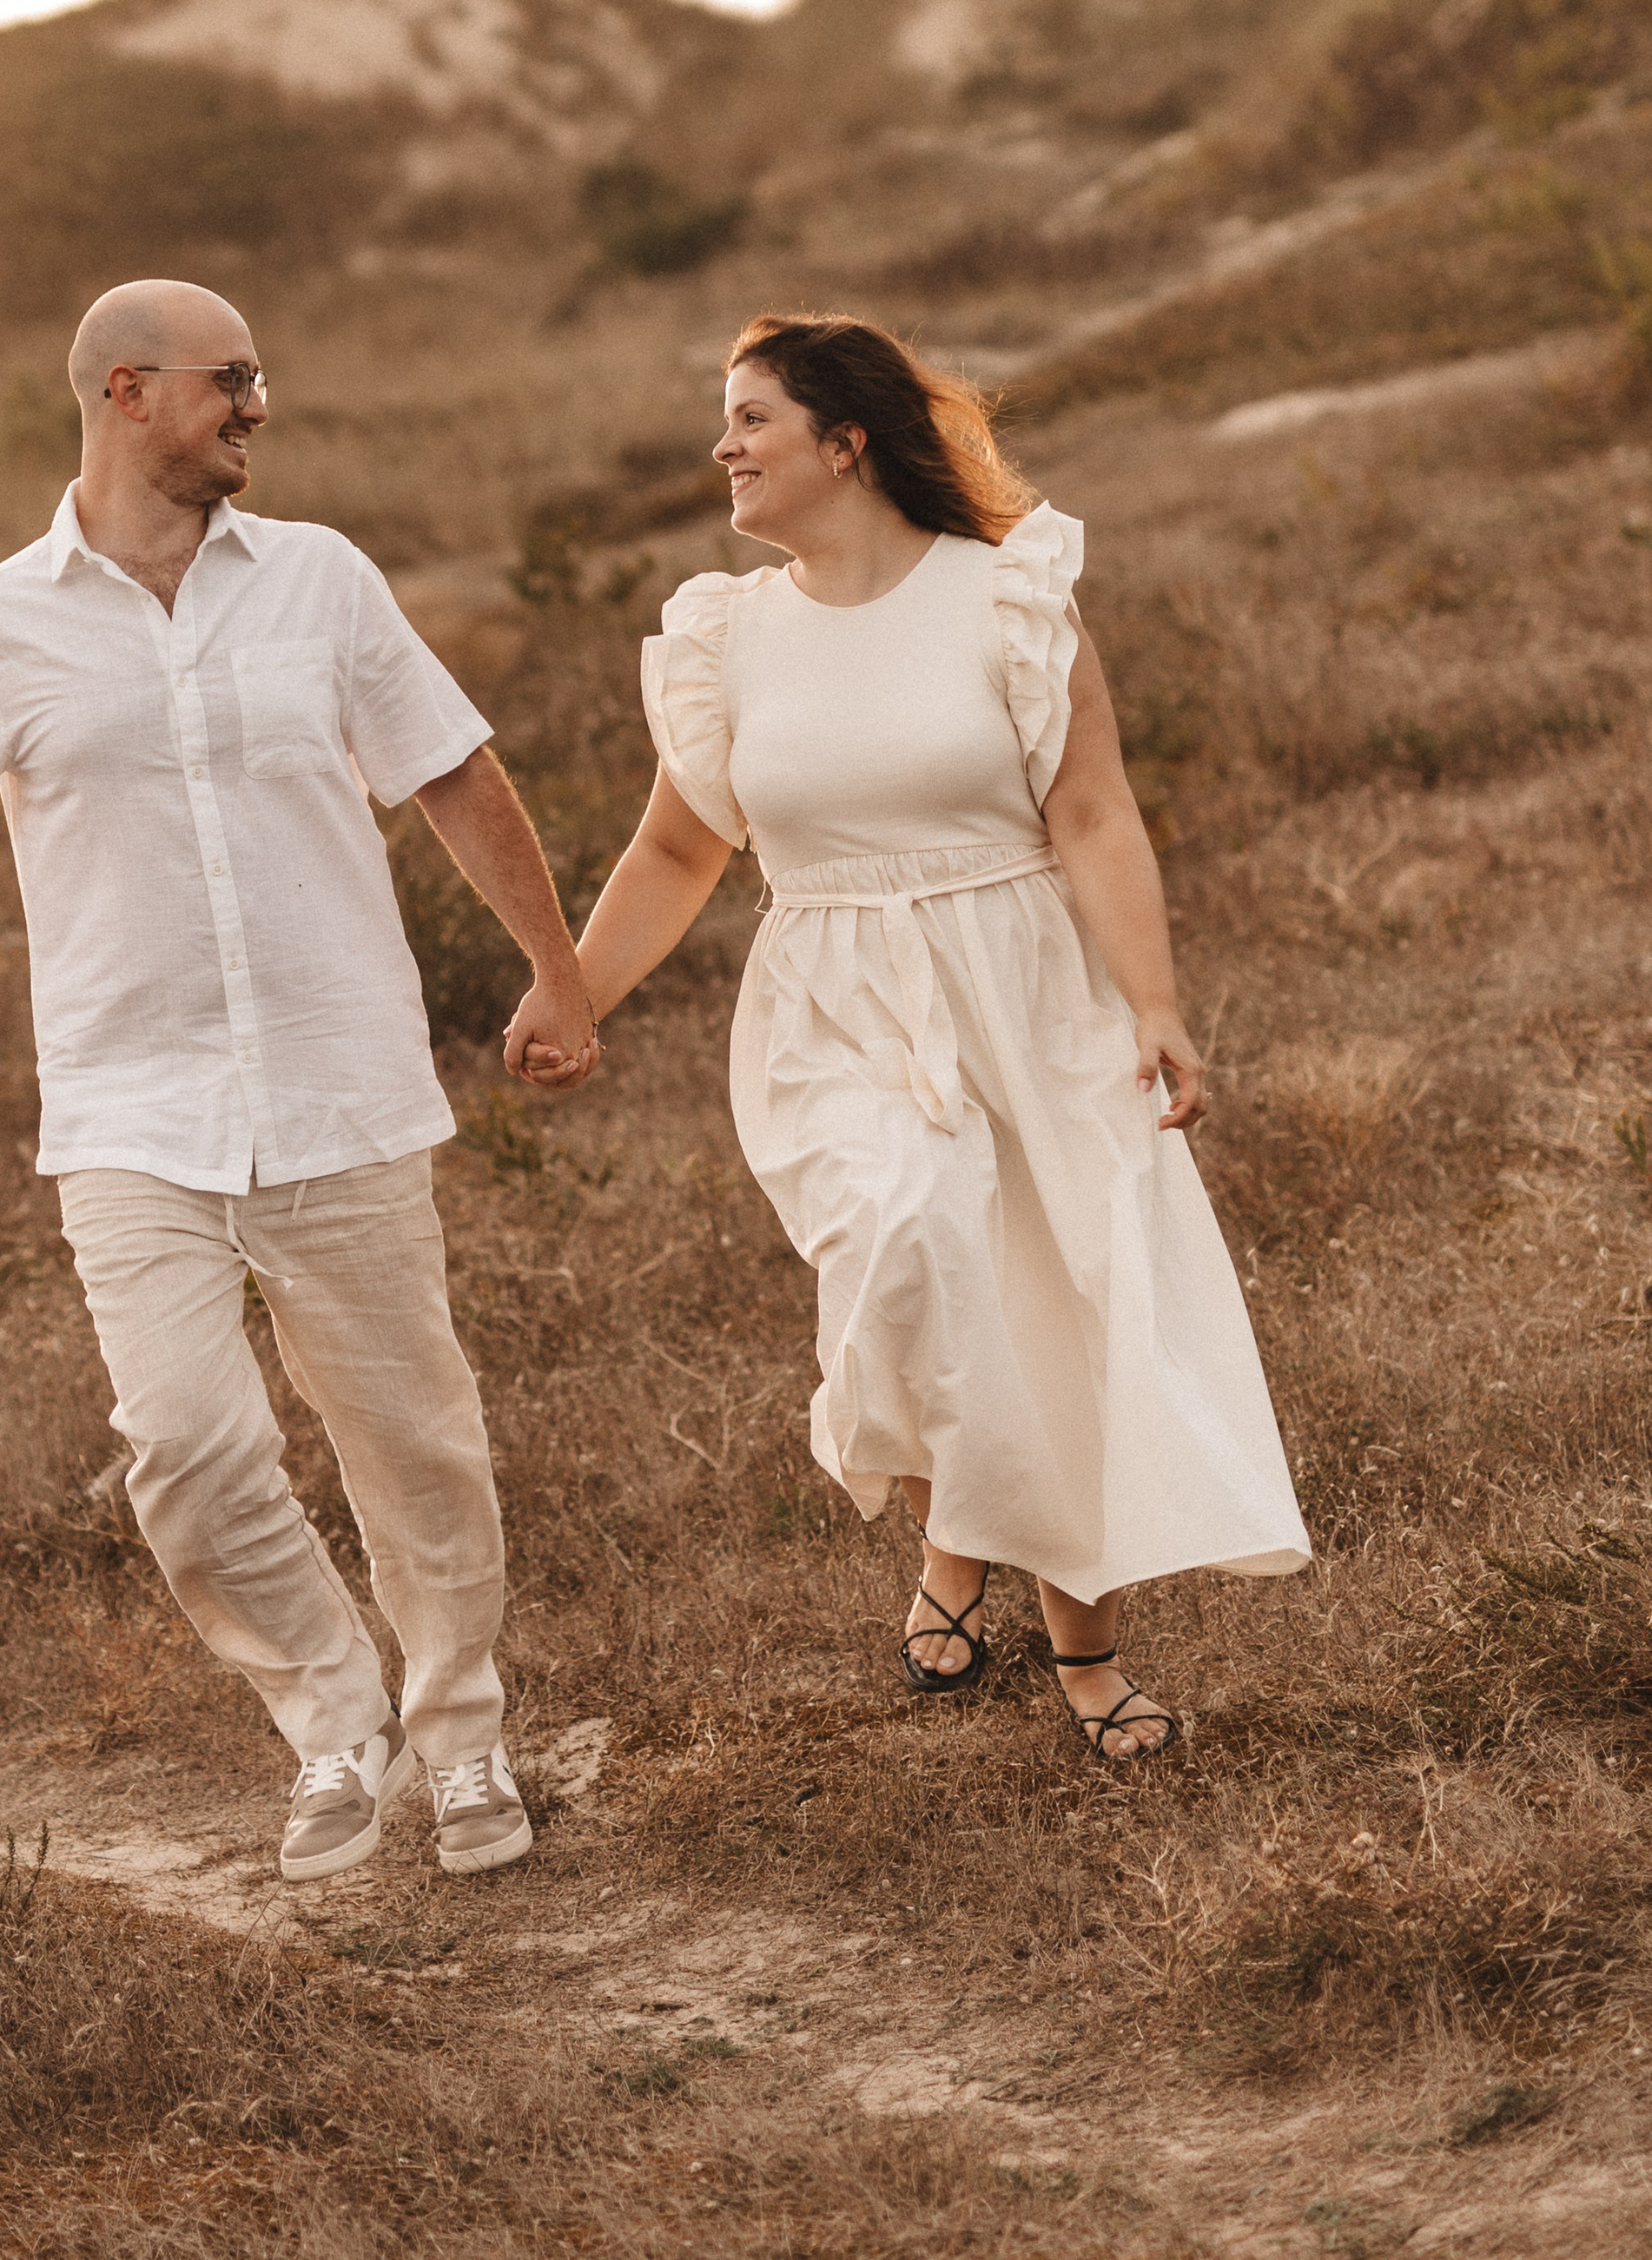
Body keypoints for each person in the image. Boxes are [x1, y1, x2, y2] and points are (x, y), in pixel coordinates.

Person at [0, 279, 597, 1876]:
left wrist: (556, 965)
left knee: (413, 1438)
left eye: (259, 377)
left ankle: (461, 1741)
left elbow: (449, 767)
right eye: (230, 378)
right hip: (127, 1105)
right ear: (123, 391)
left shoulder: (321, 580)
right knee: (185, 1445)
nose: (256, 404)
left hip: (339, 1079)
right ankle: (330, 1724)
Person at [518, 311, 1306, 1760]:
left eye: (750, 417)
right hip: (838, 1006)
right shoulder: (729, 635)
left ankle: (1080, 1645)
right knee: (915, 1241)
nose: (724, 447)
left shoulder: (1008, 597)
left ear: (845, 439)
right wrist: (571, 989)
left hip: (1026, 984)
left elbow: (1091, 811)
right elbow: (679, 854)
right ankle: (962, 1528)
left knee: (1054, 1307)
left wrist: (1157, 1002)